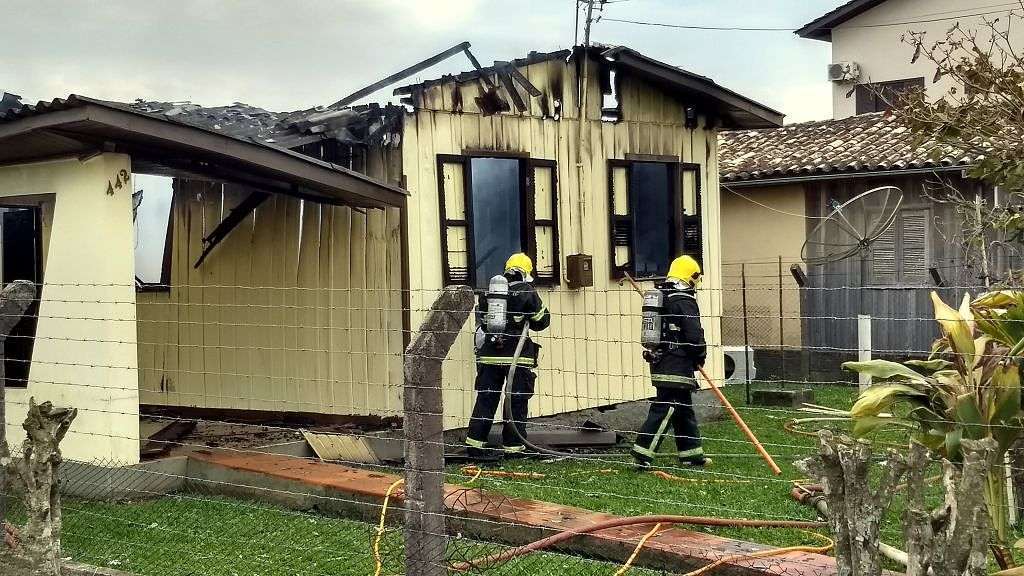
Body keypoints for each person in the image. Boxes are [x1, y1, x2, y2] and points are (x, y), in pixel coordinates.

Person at [465, 253, 550, 461]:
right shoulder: (526, 292)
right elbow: (542, 321)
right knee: (516, 402)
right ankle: (514, 448)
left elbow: (484, 323)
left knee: (486, 399)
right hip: (517, 359)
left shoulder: (490, 293)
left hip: (489, 358)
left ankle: (475, 446)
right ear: (526, 273)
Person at [631, 255, 710, 469]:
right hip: (677, 364)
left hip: (660, 361)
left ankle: (692, 455)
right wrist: (699, 356)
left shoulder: (662, 296)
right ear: (691, 277)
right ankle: (642, 452)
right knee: (665, 409)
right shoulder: (685, 300)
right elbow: (694, 335)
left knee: (683, 409)